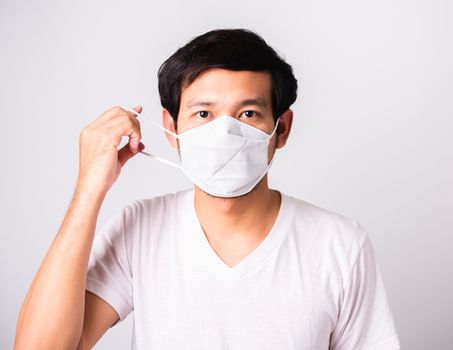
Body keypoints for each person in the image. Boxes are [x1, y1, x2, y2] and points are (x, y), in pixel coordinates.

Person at [14, 28, 401, 350]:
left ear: (281, 129)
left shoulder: (340, 245)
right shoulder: (142, 228)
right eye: (204, 113)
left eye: (248, 114)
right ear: (171, 128)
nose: (225, 131)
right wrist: (89, 190)